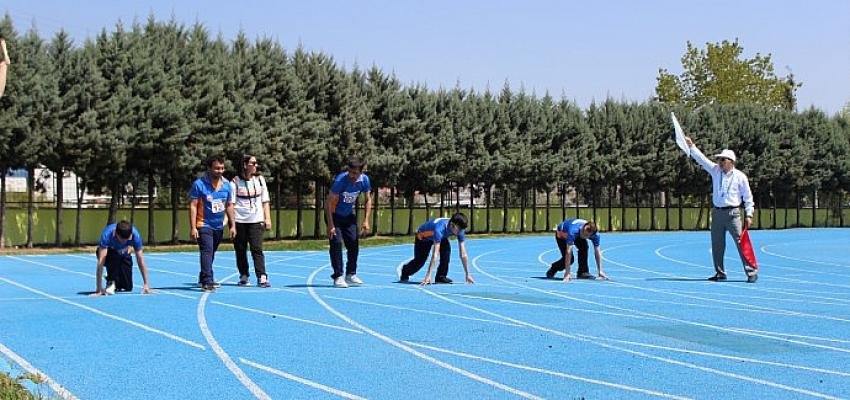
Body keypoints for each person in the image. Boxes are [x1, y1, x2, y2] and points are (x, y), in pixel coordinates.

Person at [684, 136, 758, 283]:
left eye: (723, 160)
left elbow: (748, 197)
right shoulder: (715, 171)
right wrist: (691, 147)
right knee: (717, 244)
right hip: (717, 213)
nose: (719, 162)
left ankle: (751, 272)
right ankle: (720, 272)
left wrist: (749, 214)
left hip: (733, 214)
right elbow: (701, 159)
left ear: (731, 161)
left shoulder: (740, 177)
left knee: (741, 242)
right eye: (719, 159)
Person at [189, 155, 237, 292]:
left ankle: (202, 277)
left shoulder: (227, 185)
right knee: (207, 250)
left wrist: (232, 225)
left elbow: (229, 205)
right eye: (216, 168)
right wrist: (193, 227)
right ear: (209, 168)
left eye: (222, 168)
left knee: (211, 253)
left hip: (218, 225)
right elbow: (193, 205)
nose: (220, 171)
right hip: (203, 224)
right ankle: (208, 281)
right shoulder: (199, 184)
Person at [325, 155, 373, 288]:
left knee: (353, 242)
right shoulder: (341, 180)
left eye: (355, 173)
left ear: (362, 171)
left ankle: (350, 274)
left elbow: (368, 199)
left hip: (348, 215)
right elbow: (328, 202)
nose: (352, 175)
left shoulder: (364, 181)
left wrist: (366, 220)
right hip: (334, 214)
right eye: (350, 172)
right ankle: (338, 276)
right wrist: (330, 224)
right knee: (337, 242)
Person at [399, 212, 475, 285]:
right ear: (452, 225)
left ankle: (440, 277)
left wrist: (468, 274)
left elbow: (463, 254)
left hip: (441, 237)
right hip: (423, 237)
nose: (461, 232)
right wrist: (428, 275)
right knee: (420, 261)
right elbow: (435, 255)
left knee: (446, 252)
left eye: (462, 229)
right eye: (459, 229)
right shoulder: (439, 229)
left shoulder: (459, 229)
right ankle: (405, 271)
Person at [230, 154, 271, 288]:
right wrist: (232, 224)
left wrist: (267, 218)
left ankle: (262, 276)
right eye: (253, 163)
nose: (256, 166)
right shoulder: (235, 182)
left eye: (256, 163)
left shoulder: (260, 180)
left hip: (256, 220)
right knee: (240, 249)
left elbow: (265, 201)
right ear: (244, 165)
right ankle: (244, 275)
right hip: (239, 220)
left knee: (257, 249)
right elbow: (231, 204)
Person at [91, 220, 153, 296]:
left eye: (127, 240)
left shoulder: (135, 236)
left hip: (124, 253)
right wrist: (98, 289)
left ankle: (114, 279)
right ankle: (111, 279)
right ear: (116, 234)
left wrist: (146, 284)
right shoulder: (107, 235)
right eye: (121, 240)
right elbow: (101, 261)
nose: (123, 242)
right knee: (114, 257)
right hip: (110, 254)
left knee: (127, 287)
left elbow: (140, 260)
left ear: (130, 235)